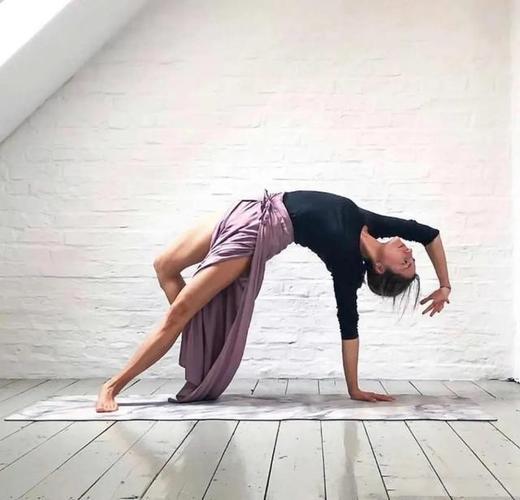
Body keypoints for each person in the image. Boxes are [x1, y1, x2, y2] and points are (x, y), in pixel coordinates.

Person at [95, 189, 450, 412]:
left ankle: (112, 386)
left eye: (405, 264)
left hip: (256, 235)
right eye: (410, 259)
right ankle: (198, 330)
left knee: (179, 313)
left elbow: (349, 326)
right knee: (164, 266)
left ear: (379, 267)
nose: (409, 253)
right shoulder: (371, 223)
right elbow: (428, 234)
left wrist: (353, 388)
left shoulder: (346, 263)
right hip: (249, 210)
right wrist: (445, 285)